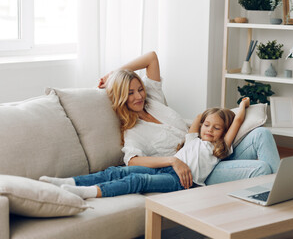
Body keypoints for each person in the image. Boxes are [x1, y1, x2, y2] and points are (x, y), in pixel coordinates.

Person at [41, 51, 280, 194]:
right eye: (131, 93)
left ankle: (289, 196)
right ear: (122, 98)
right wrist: (173, 161)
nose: (138, 96)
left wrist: (114, 73)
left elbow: (151, 58)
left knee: (262, 134)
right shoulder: (133, 130)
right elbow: (133, 160)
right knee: (262, 170)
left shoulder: (152, 99)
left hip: (213, 148)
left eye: (139, 89)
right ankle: (281, 198)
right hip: (199, 171)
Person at [39, 100, 249, 198]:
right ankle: (69, 181)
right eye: (207, 125)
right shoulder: (192, 138)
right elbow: (197, 118)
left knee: (137, 181)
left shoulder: (218, 148)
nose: (210, 130)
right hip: (166, 167)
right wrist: (208, 115)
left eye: (217, 127)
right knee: (117, 170)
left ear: (224, 132)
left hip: (183, 181)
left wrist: (243, 105)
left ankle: (86, 192)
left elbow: (238, 120)